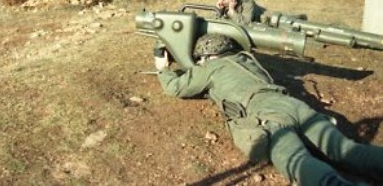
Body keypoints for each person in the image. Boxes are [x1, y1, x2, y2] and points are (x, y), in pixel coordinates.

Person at [154, 34, 383, 186]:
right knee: (347, 150)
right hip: (295, 106)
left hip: (268, 114)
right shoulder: (248, 60)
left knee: (296, 160)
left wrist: (162, 68)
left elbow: (176, 88)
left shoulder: (212, 67)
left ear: (208, 57)